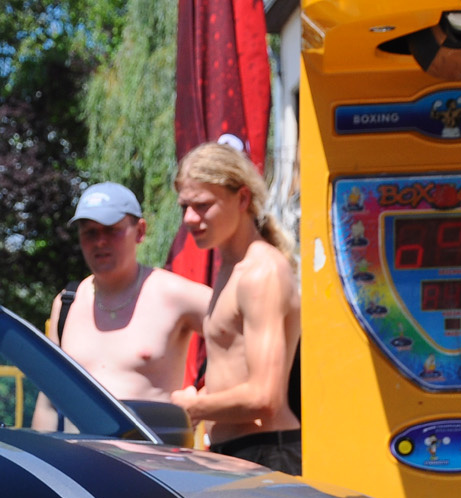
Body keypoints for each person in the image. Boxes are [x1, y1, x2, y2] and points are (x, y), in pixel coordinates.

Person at [32, 183, 213, 432]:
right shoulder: (67, 302)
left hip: (151, 464)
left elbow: (244, 340)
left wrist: (205, 400)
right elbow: (49, 402)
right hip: (80, 462)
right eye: (90, 232)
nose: (100, 241)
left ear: (140, 231)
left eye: (111, 230)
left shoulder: (175, 294)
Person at [168, 142, 302, 475]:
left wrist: (194, 407)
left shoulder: (261, 273)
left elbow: (264, 396)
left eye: (202, 206)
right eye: (185, 206)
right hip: (240, 451)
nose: (189, 218)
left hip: (267, 451)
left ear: (242, 199)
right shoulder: (232, 268)